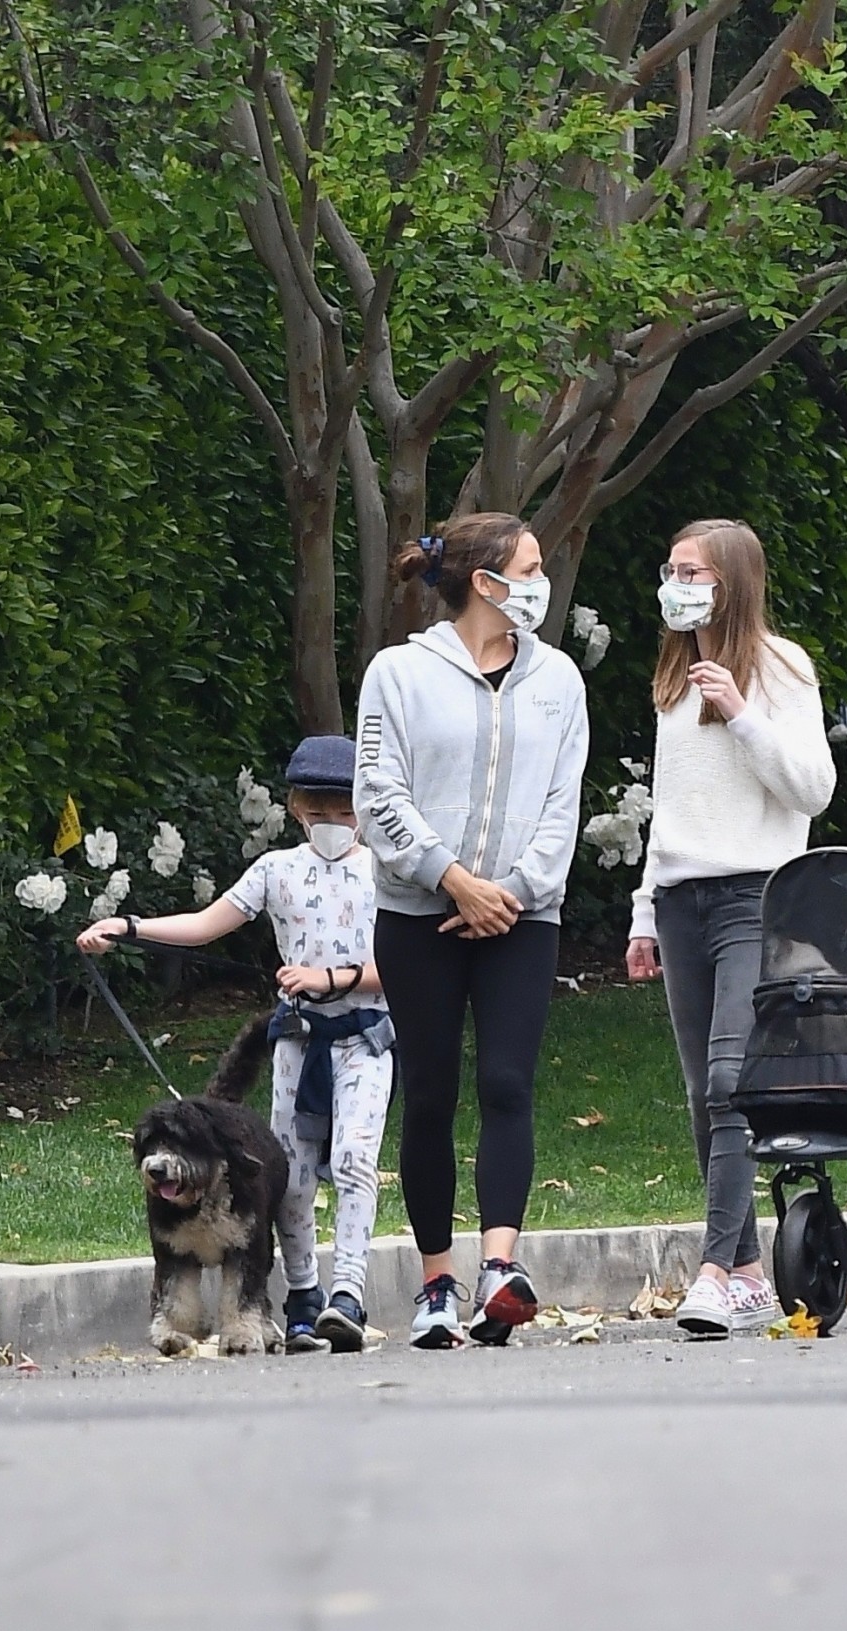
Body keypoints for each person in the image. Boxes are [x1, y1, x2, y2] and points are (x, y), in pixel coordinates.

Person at [76, 735, 395, 1354]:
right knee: (290, 1176)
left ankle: (348, 1293)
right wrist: (130, 927)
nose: (332, 821)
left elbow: (408, 967)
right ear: (296, 807)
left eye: (344, 808)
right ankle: (302, 1296)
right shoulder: (276, 870)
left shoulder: (384, 869)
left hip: (365, 1038)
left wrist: (332, 979)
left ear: (364, 807)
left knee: (356, 1159)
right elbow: (204, 924)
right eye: (317, 808)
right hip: (298, 1042)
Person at [354, 513, 589, 1349]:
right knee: (429, 1095)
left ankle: (500, 1269)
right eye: (527, 567)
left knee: (507, 1084)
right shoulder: (399, 673)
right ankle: (435, 1285)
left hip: (523, 918)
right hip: (421, 913)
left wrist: (513, 893)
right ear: (484, 582)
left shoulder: (559, 679)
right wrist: (451, 877)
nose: (539, 579)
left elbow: (564, 805)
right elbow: (377, 794)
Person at [626, 518, 836, 1337]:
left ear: (733, 581)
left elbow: (813, 789)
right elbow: (669, 808)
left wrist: (745, 714)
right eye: (671, 568)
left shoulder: (779, 668)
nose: (678, 584)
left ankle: (716, 1268)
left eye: (694, 572)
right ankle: (748, 1271)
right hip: (682, 897)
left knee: (730, 1079)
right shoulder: (675, 673)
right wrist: (645, 909)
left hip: (757, 892)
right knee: (699, 1091)